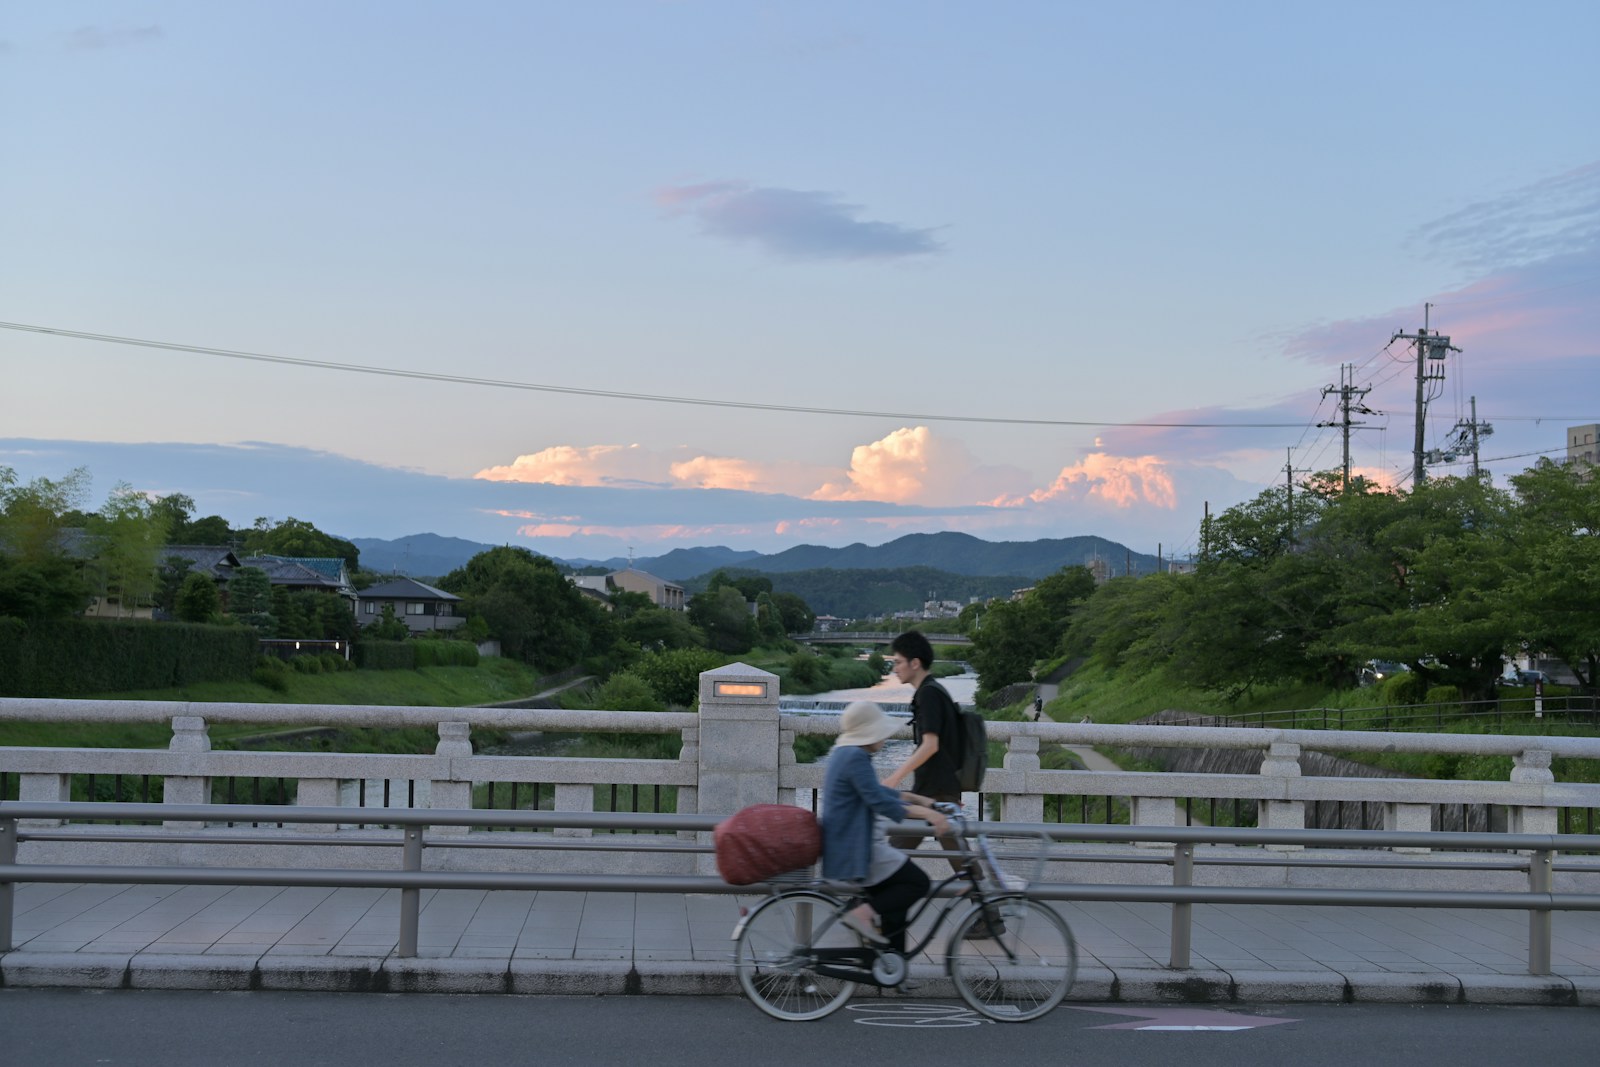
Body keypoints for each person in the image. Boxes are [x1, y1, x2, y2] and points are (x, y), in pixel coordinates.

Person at [821, 700, 949, 956]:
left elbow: (873, 791)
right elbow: (877, 801)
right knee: (918, 883)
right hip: (858, 847)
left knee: (894, 906)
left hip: (852, 843)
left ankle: (893, 967)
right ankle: (860, 914)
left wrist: (917, 799)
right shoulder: (855, 757)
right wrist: (926, 814)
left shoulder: (846, 753)